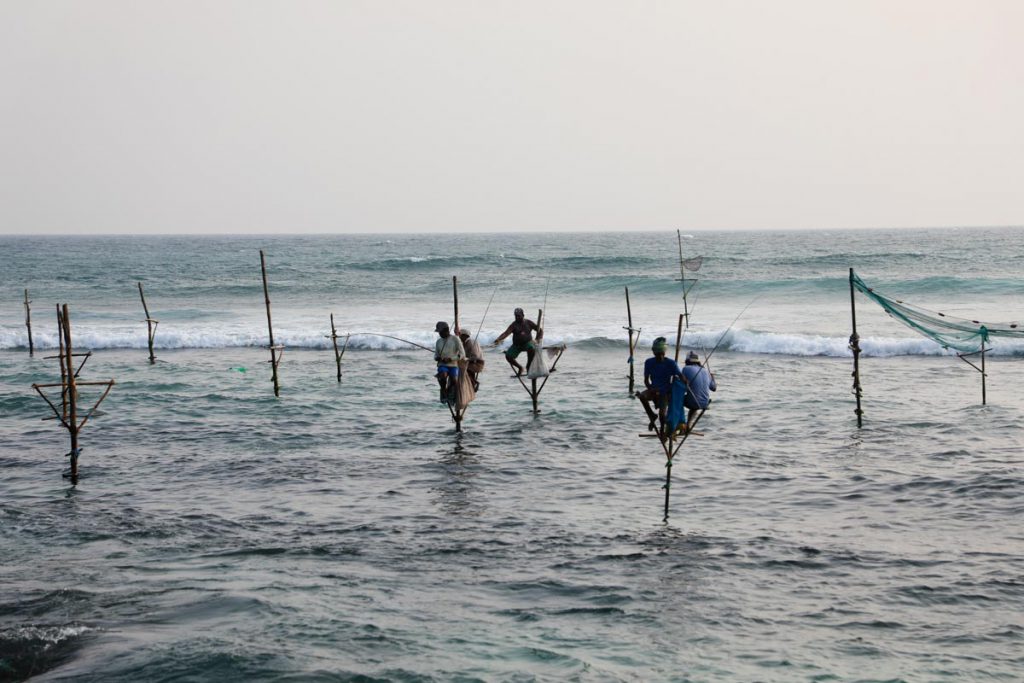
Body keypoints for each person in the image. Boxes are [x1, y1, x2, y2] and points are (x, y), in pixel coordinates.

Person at [638, 337, 682, 435]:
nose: (658, 356)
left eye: (660, 354)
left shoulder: (671, 363)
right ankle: (652, 416)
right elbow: (646, 380)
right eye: (657, 354)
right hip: (654, 390)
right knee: (642, 396)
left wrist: (686, 384)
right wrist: (651, 389)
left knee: (662, 414)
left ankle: (662, 429)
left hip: (665, 392)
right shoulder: (649, 362)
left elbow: (681, 376)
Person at [492, 308, 542, 376]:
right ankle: (520, 368)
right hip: (516, 345)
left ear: (523, 315)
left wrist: (537, 339)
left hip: (527, 343)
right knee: (508, 356)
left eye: (519, 316)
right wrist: (498, 339)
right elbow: (506, 333)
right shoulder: (514, 325)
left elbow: (540, 330)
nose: (517, 317)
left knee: (531, 349)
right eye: (516, 316)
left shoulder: (528, 323)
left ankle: (528, 367)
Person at [681, 350, 716, 429]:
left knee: (675, 398)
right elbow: (713, 388)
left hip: (693, 402)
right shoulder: (705, 371)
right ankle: (688, 424)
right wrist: (713, 378)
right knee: (695, 399)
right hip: (704, 403)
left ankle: (680, 422)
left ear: (687, 361)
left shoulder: (686, 369)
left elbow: (681, 384)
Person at [434, 321, 465, 404]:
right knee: (443, 375)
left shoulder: (455, 339)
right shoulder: (438, 342)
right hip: (442, 365)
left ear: (446, 330)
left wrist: (451, 359)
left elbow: (462, 354)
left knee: (454, 380)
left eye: (440, 332)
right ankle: (443, 390)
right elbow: (435, 355)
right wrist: (438, 358)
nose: (439, 334)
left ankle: (449, 393)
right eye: (439, 332)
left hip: (453, 365)